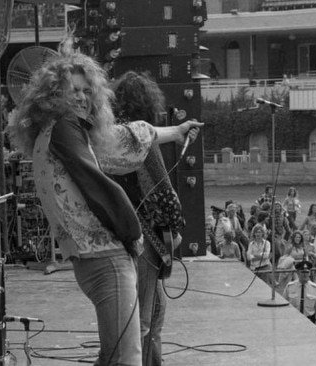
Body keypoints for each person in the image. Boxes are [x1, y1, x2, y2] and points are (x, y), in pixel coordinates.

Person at [6, 49, 202, 365]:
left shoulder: (55, 133)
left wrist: (173, 133)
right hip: (108, 258)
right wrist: (133, 233)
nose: (83, 98)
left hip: (90, 259)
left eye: (87, 91)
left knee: (116, 353)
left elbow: (125, 138)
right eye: (74, 91)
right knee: (127, 356)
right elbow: (98, 185)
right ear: (54, 95)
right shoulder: (66, 128)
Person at [110, 70, 196, 366]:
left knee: (154, 313)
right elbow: (163, 190)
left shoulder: (114, 137)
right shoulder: (142, 138)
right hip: (145, 238)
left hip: (125, 233)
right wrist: (177, 227)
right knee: (145, 319)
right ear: (148, 104)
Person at [282, 260, 316, 329]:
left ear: (310, 273)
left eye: (307, 272)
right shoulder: (290, 287)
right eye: (303, 272)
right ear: (298, 273)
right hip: (293, 322)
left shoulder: (314, 288)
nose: (305, 275)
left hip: (310, 323)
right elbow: (284, 306)